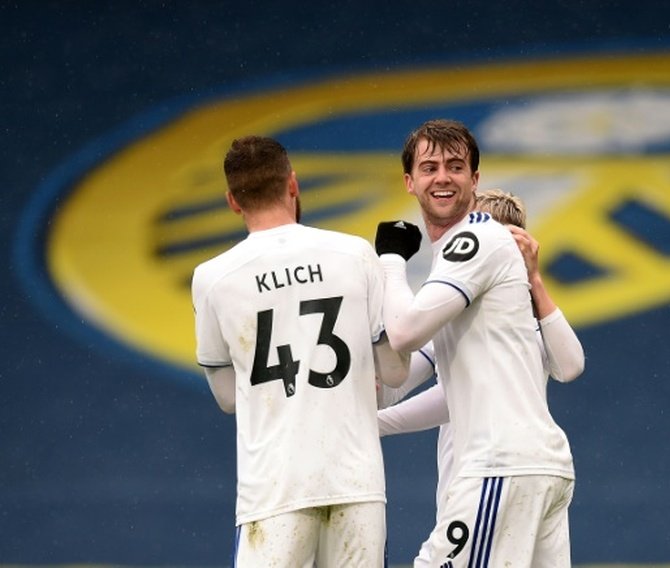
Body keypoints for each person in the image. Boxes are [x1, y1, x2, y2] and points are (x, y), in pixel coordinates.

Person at [191, 135, 410, 567]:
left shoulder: (212, 278)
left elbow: (228, 397)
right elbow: (395, 372)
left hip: (274, 490)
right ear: (293, 184)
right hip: (355, 481)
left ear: (233, 201)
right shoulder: (355, 254)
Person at [375, 119, 579, 567]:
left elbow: (406, 333)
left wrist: (390, 261)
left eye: (455, 166)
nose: (443, 177)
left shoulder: (475, 239)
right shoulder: (457, 283)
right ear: (409, 181)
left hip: (499, 465)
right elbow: (407, 374)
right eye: (430, 167)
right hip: (535, 467)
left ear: (475, 179)